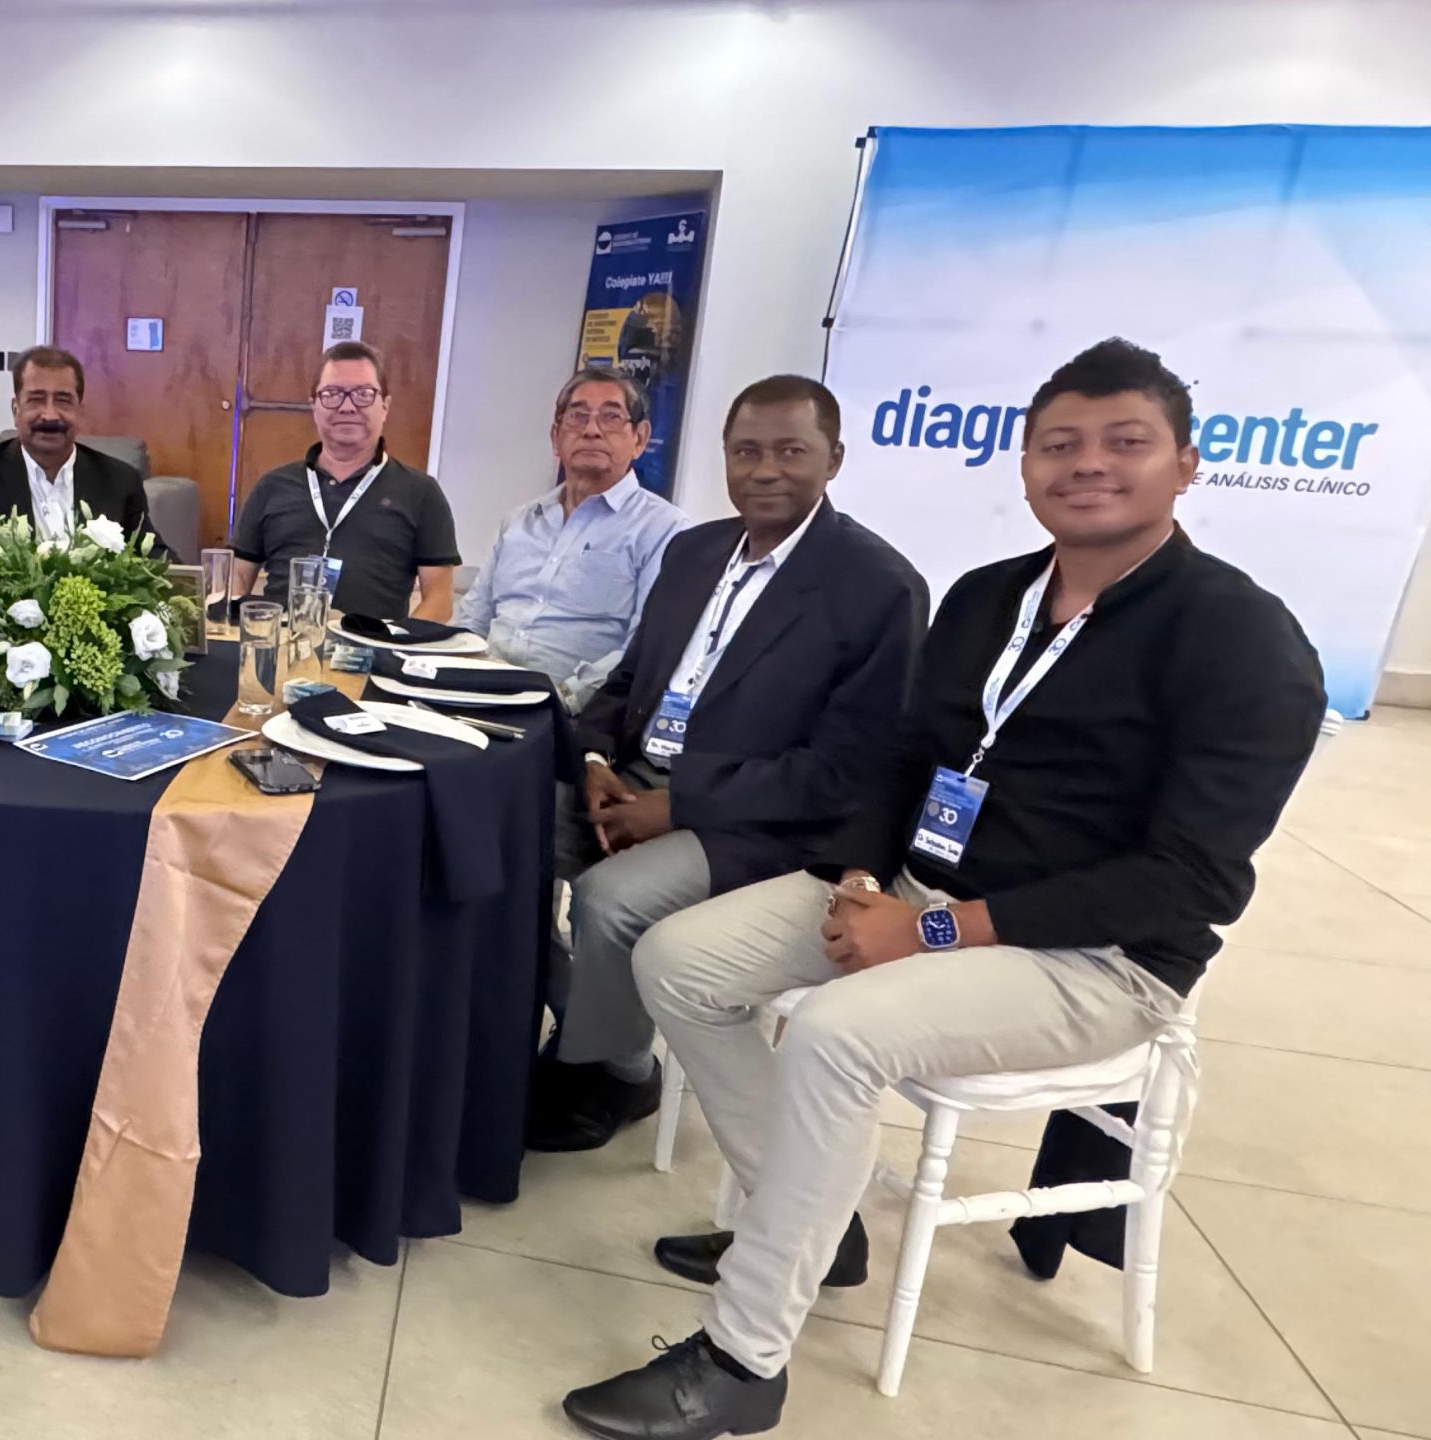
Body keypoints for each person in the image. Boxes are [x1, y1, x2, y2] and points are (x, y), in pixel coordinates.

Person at [557, 338, 1325, 1440]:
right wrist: (865, 878)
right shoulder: (988, 597)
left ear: (1186, 465)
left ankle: (742, 1359)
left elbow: (1189, 880)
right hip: (915, 888)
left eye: (1124, 442)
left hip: (1094, 956)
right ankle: (812, 1223)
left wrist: (934, 929)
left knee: (835, 1034)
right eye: (1058, 444)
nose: (1086, 464)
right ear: (1026, 465)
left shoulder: (1241, 639)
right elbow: (898, 761)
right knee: (676, 959)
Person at [526, 376, 926, 1154]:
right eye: (746, 452)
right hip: (634, 779)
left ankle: (616, 1072)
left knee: (611, 900)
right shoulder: (695, 550)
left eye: (791, 451)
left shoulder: (879, 588)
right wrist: (598, 759)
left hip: (760, 821)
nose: (765, 470)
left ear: (834, 460)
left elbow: (843, 772)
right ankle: (573, 1021)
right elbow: (628, 681)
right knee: (497, 846)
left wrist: (679, 806)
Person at [456, 367, 688, 707]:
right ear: (556, 437)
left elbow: (643, 647)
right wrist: (452, 676)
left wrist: (562, 699)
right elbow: (473, 620)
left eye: (611, 417)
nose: (591, 430)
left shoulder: (664, 530)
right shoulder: (519, 521)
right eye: (578, 417)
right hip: (477, 694)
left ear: (640, 438)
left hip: (569, 712)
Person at [231, 341, 459, 621]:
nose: (347, 407)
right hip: (280, 640)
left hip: (372, 646)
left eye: (363, 394)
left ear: (385, 406)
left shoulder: (421, 493)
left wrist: (397, 642)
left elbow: (439, 601)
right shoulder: (272, 487)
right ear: (314, 406)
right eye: (332, 394)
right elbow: (238, 579)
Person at [0, 345, 162, 590]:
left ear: (80, 411)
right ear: (16, 410)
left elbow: (160, 562)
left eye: (63, 401)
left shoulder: (119, 480)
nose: (50, 415)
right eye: (36, 399)